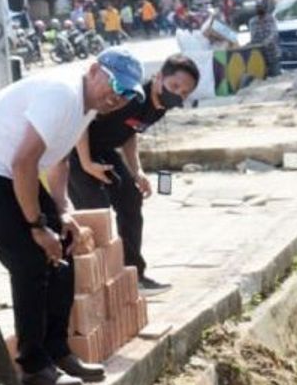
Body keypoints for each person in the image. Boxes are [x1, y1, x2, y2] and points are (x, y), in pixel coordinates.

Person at [0, 50, 145, 385]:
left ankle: (58, 351)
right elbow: (25, 163)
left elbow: (59, 158)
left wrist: (61, 210)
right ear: (95, 70)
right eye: (114, 86)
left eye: (126, 93)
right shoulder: (62, 94)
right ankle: (33, 367)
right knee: (30, 262)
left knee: (64, 247)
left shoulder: (89, 104)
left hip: (10, 169)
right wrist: (38, 227)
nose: (117, 97)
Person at [68, 55, 200, 296]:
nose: (178, 94)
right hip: (77, 153)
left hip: (105, 152)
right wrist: (86, 163)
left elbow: (130, 133)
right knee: (96, 214)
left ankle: (133, 275)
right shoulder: (132, 96)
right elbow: (82, 119)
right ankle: (99, 284)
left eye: (184, 92)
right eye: (174, 86)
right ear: (159, 77)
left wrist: (136, 170)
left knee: (130, 200)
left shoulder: (159, 107)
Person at [247, 0, 281, 78]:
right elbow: (253, 36)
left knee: (276, 77)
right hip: (259, 53)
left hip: (272, 53)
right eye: (257, 7)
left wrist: (266, 42)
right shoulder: (252, 21)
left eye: (261, 6)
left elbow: (274, 34)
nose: (259, 8)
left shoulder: (271, 19)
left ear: (265, 7)